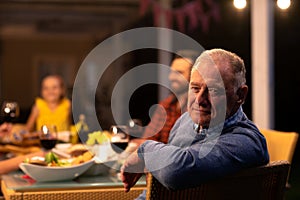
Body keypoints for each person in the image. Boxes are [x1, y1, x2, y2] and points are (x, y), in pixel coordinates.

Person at [120, 48, 269, 199]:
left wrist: (145, 150)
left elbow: (174, 172)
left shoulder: (247, 142)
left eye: (213, 90)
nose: (199, 100)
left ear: (240, 95)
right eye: (195, 88)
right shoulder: (185, 121)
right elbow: (156, 190)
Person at [139, 50, 199, 144]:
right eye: (171, 72)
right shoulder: (166, 105)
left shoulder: (200, 108)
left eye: (179, 73)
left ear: (194, 76)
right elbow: (148, 140)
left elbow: (187, 149)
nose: (171, 77)